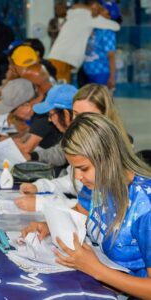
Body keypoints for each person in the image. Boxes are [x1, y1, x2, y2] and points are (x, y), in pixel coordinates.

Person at [22, 113, 151, 299]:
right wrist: (47, 225)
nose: (78, 177)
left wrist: (96, 269)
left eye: (83, 168)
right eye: (74, 168)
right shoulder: (99, 182)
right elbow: (79, 213)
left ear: (109, 158)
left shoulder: (145, 206)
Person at [16, 83, 132, 212]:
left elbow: (94, 209)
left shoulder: (110, 151)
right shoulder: (83, 140)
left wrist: (43, 203)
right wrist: (41, 186)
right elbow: (75, 182)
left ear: (104, 116)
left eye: (86, 115)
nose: (78, 122)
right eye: (76, 114)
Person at [48, 0, 120, 83]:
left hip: (60, 57)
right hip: (63, 59)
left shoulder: (78, 13)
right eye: (100, 8)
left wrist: (90, 9)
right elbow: (116, 26)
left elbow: (73, 9)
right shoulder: (89, 16)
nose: (100, 10)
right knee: (60, 90)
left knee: (62, 87)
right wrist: (92, 11)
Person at [83, 3, 117, 89]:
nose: (97, 12)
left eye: (101, 10)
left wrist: (112, 77)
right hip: (87, 72)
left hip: (102, 73)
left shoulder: (108, 31)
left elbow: (111, 56)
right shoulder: (90, 28)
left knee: (101, 101)